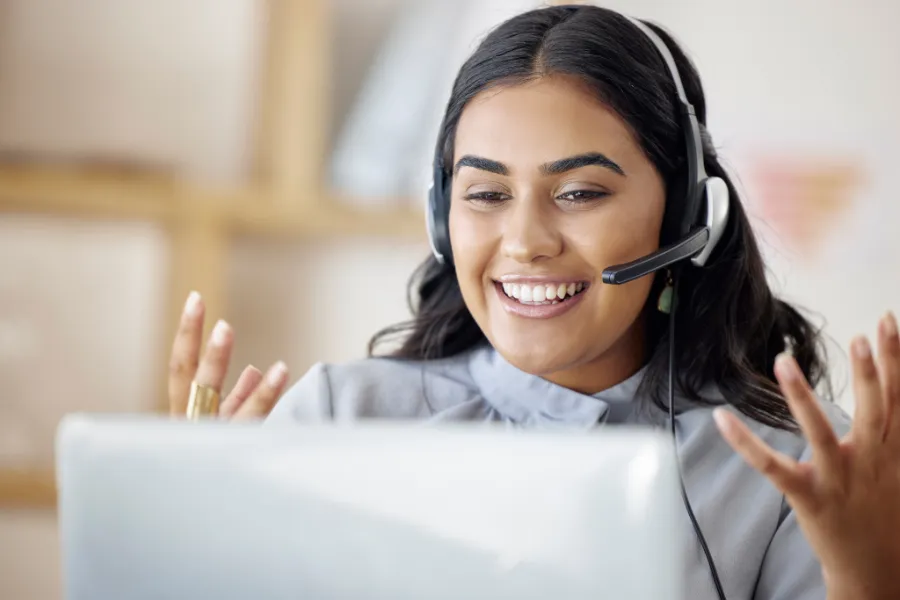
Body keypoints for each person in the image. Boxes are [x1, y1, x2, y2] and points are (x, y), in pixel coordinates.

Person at [166, 5, 900, 600]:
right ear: (439, 218)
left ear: (683, 214)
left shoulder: (796, 469)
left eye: (580, 193)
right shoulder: (335, 418)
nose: (524, 242)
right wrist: (176, 541)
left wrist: (868, 579)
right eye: (485, 194)